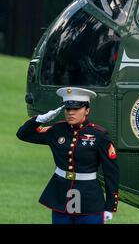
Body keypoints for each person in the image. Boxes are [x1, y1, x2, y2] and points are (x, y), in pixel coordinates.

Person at [16, 87, 119, 224]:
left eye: (76, 109)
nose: (71, 113)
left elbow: (111, 172)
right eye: (68, 109)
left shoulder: (99, 135)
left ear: (87, 110)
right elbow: (23, 135)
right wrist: (39, 119)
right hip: (61, 195)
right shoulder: (57, 130)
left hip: (89, 198)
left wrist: (110, 206)